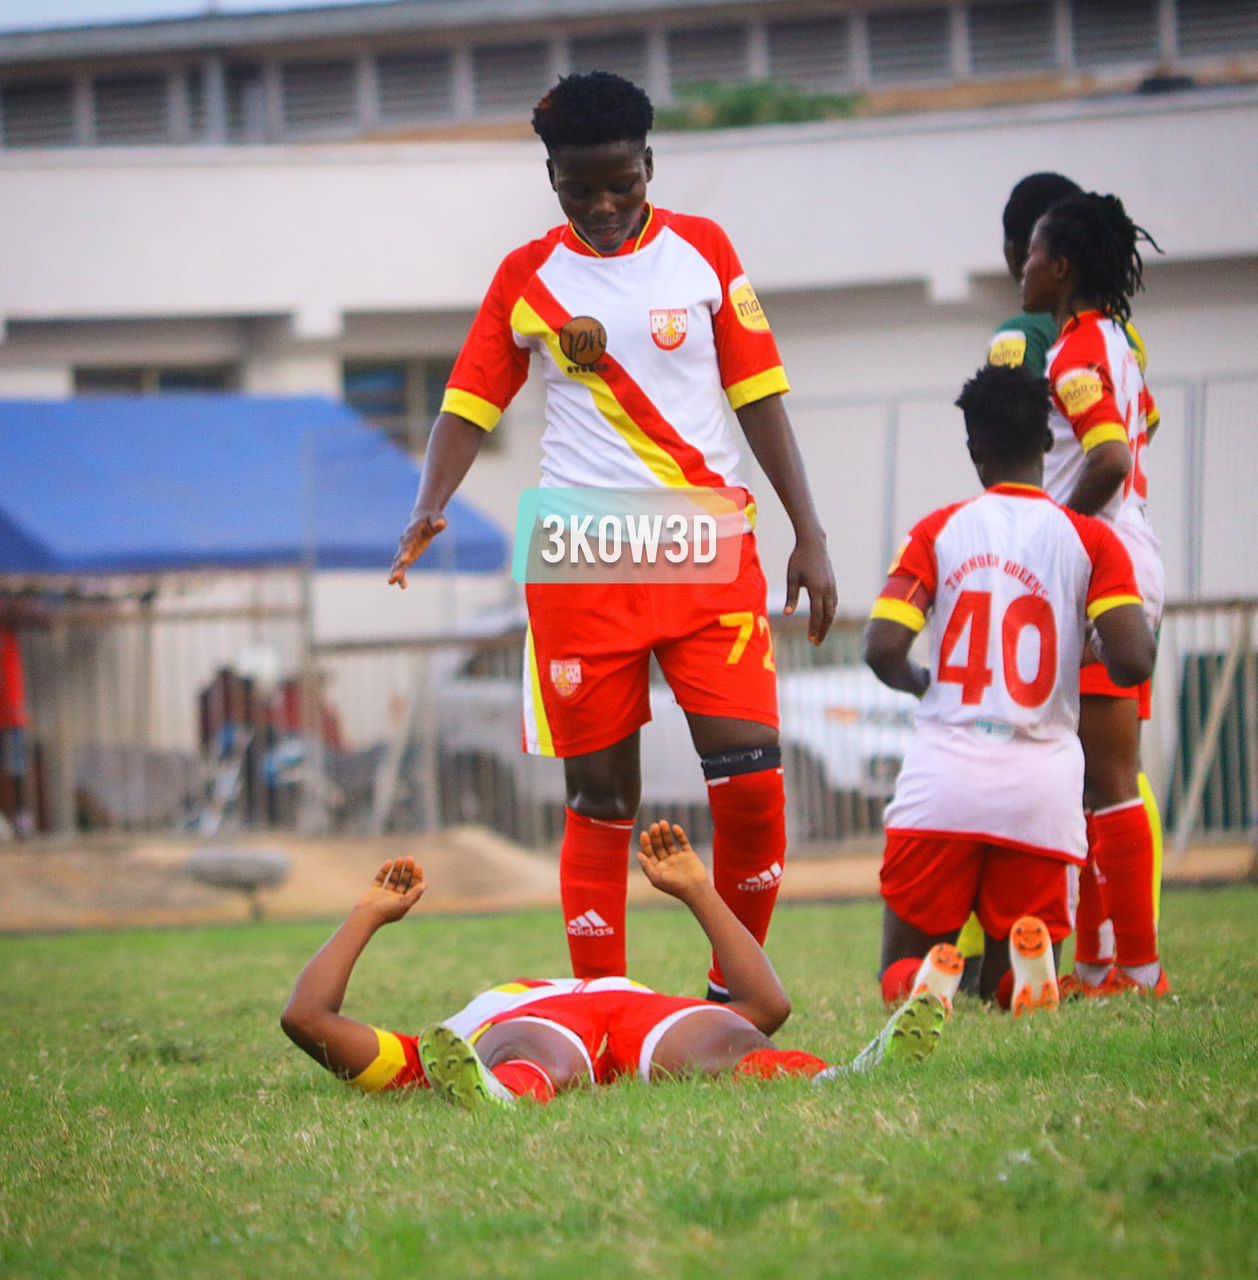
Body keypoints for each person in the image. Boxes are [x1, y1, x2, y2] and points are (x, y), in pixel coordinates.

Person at [388, 72, 837, 999]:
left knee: (751, 785)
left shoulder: (704, 252)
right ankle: (608, 1009)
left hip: (708, 544)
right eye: (577, 187)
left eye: (621, 183)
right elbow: (466, 405)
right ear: (550, 176)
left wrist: (810, 530)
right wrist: (432, 499)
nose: (601, 205)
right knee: (602, 801)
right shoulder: (527, 277)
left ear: (649, 165)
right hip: (582, 555)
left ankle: (731, 996)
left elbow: (760, 397)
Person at [280, 822, 945, 1109]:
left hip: (639, 1012)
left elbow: (768, 1008)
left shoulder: (445, 1047)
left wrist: (697, 889)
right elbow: (305, 1018)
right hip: (522, 1032)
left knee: (729, 1042)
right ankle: (506, 1092)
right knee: (535, 1052)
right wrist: (366, 914)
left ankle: (841, 1077)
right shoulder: (439, 1051)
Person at [865, 366, 1155, 1011]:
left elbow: (882, 647)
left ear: (975, 451)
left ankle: (918, 982)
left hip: (945, 778)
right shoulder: (1094, 540)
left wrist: (924, 686)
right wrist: (1091, 636)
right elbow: (1134, 660)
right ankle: (1016, 979)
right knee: (1006, 961)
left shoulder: (938, 531)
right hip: (1042, 789)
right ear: (1049, 443)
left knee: (903, 959)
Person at [1020, 193, 1170, 997]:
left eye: (1035, 253)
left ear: (1063, 267)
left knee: (1108, 778)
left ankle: (1139, 970)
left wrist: (1055, 535)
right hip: (1125, 565)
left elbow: (1108, 458)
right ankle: (1097, 964)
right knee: (1094, 777)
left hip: (1104, 576)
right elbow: (1140, 431)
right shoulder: (1118, 343)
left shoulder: (1075, 353)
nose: (1024, 267)